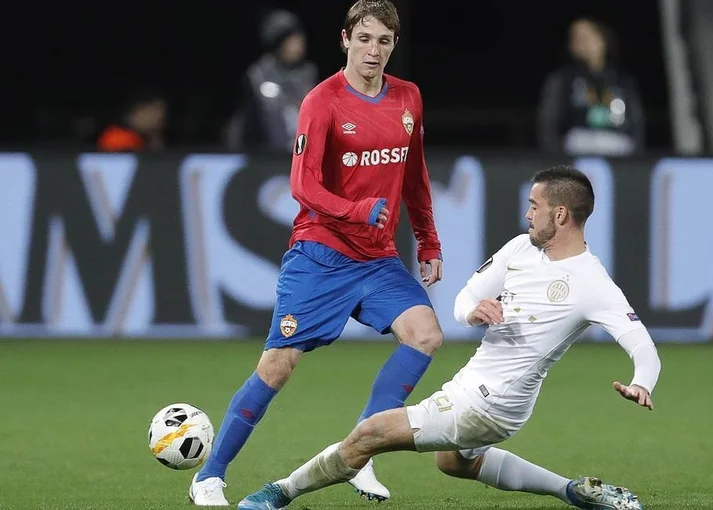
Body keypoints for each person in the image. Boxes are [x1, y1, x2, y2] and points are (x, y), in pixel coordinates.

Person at [237, 165, 661, 510]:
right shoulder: (520, 249)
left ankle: (278, 493)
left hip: (493, 402)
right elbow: (464, 300)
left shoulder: (592, 282)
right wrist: (473, 312)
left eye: (535, 206)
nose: (528, 214)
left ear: (562, 215)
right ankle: (574, 492)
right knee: (453, 462)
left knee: (369, 433)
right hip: (474, 384)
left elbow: (642, 345)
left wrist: (642, 381)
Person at [189, 0, 444, 506]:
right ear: (345, 39)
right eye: (364, 39)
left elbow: (414, 176)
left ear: (394, 45)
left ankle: (359, 456)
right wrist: (355, 210)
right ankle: (209, 477)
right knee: (278, 365)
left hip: (377, 259)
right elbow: (302, 185)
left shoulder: (408, 97)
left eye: (384, 41)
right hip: (321, 253)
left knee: (425, 335)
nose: (373, 51)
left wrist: (428, 240)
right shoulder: (322, 101)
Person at [536, 18, 646, 156]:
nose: (581, 41)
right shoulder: (562, 79)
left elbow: (636, 122)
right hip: (578, 146)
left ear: (603, 40)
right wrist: (554, 156)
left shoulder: (623, 81)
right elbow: (549, 123)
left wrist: (637, 154)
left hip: (618, 145)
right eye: (575, 37)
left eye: (586, 36)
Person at [224, 9, 318, 152]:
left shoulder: (308, 73)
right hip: (268, 156)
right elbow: (245, 123)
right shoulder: (258, 75)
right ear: (278, 42)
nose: (299, 43)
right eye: (292, 39)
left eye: (299, 37)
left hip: (302, 154)